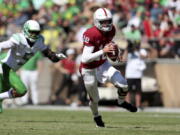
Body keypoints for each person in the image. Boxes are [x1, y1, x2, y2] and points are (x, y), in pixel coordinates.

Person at [80, 8, 137, 128]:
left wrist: (116, 56)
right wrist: (103, 51)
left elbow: (109, 48)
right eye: (103, 22)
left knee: (123, 84)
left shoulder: (112, 30)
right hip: (88, 68)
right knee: (95, 99)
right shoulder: (91, 33)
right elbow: (85, 58)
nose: (106, 24)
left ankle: (120, 102)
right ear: (96, 21)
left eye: (108, 21)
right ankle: (96, 116)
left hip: (102, 64)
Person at [0, 20, 66, 113]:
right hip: (5, 68)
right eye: (32, 32)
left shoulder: (39, 41)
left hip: (11, 70)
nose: (34, 35)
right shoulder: (18, 39)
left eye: (36, 32)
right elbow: (1, 46)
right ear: (26, 30)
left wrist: (57, 56)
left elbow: (49, 55)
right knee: (21, 90)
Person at [125, 41, 147, 109]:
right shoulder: (129, 52)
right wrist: (127, 50)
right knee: (127, 90)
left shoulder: (142, 51)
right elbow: (124, 59)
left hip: (138, 74)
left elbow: (144, 57)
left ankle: (138, 105)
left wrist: (137, 51)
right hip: (129, 74)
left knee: (138, 91)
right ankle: (127, 104)